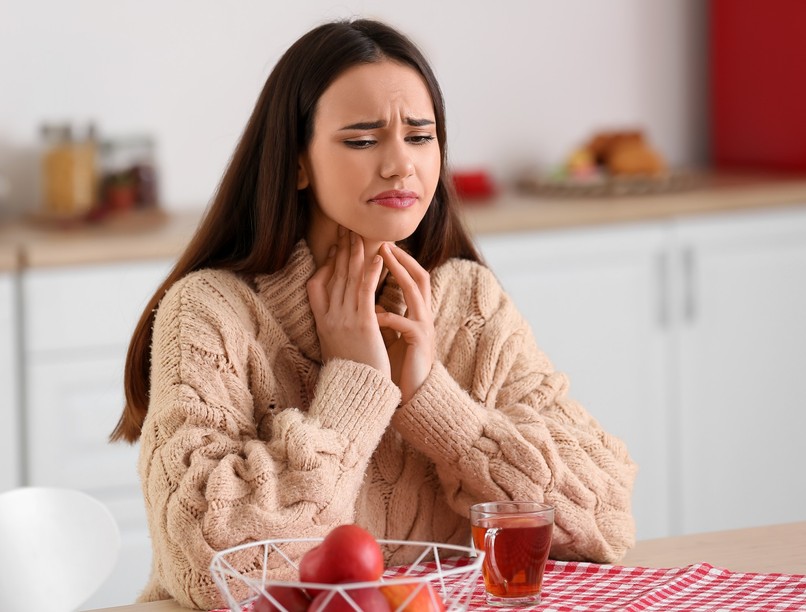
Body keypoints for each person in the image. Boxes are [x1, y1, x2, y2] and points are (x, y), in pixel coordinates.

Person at [110, 18, 636, 609]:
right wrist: (355, 388)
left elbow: (605, 518)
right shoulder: (211, 310)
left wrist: (433, 401)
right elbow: (212, 571)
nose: (400, 165)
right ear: (297, 163)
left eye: (420, 135)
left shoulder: (469, 302)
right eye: (362, 140)